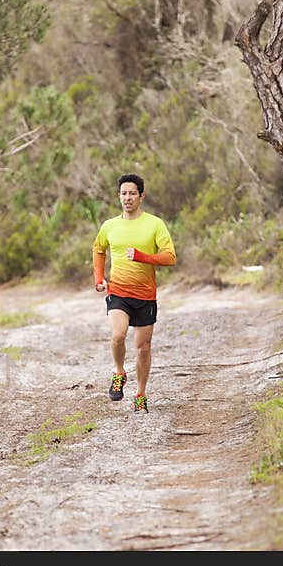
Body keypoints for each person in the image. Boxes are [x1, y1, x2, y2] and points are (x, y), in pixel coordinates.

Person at [92, 173, 176, 413]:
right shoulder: (110, 226)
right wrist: (99, 278)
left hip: (145, 295)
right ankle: (119, 372)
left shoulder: (155, 224)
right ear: (119, 196)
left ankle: (140, 394)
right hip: (118, 292)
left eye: (132, 193)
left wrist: (143, 257)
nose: (127, 198)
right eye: (123, 193)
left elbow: (170, 256)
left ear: (141, 196)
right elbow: (98, 250)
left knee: (143, 347)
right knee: (118, 335)